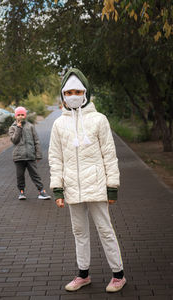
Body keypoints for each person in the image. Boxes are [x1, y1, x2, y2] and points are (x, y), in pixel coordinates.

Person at [49, 68, 126, 293]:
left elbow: (110, 155)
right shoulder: (58, 125)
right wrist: (57, 189)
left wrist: (112, 187)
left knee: (105, 229)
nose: (73, 95)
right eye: (69, 91)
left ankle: (118, 275)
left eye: (77, 91)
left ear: (85, 92)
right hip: (72, 188)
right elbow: (55, 158)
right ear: (63, 95)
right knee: (79, 232)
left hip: (97, 186)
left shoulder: (99, 120)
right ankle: (83, 274)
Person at [9, 106, 51, 201]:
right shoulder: (12, 127)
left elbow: (36, 140)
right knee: (20, 176)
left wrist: (38, 154)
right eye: (18, 115)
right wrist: (18, 128)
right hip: (18, 157)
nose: (20, 116)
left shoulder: (30, 126)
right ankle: (21, 192)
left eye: (22, 115)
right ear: (15, 116)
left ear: (25, 115)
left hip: (30, 156)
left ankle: (41, 191)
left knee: (35, 175)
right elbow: (14, 140)